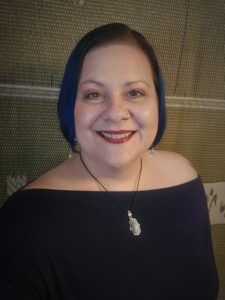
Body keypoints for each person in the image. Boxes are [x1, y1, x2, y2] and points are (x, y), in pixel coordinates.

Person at [0, 23, 219, 299]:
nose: (116, 113)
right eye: (94, 94)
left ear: (158, 103)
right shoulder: (22, 223)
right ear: (71, 106)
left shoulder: (185, 176)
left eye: (134, 92)